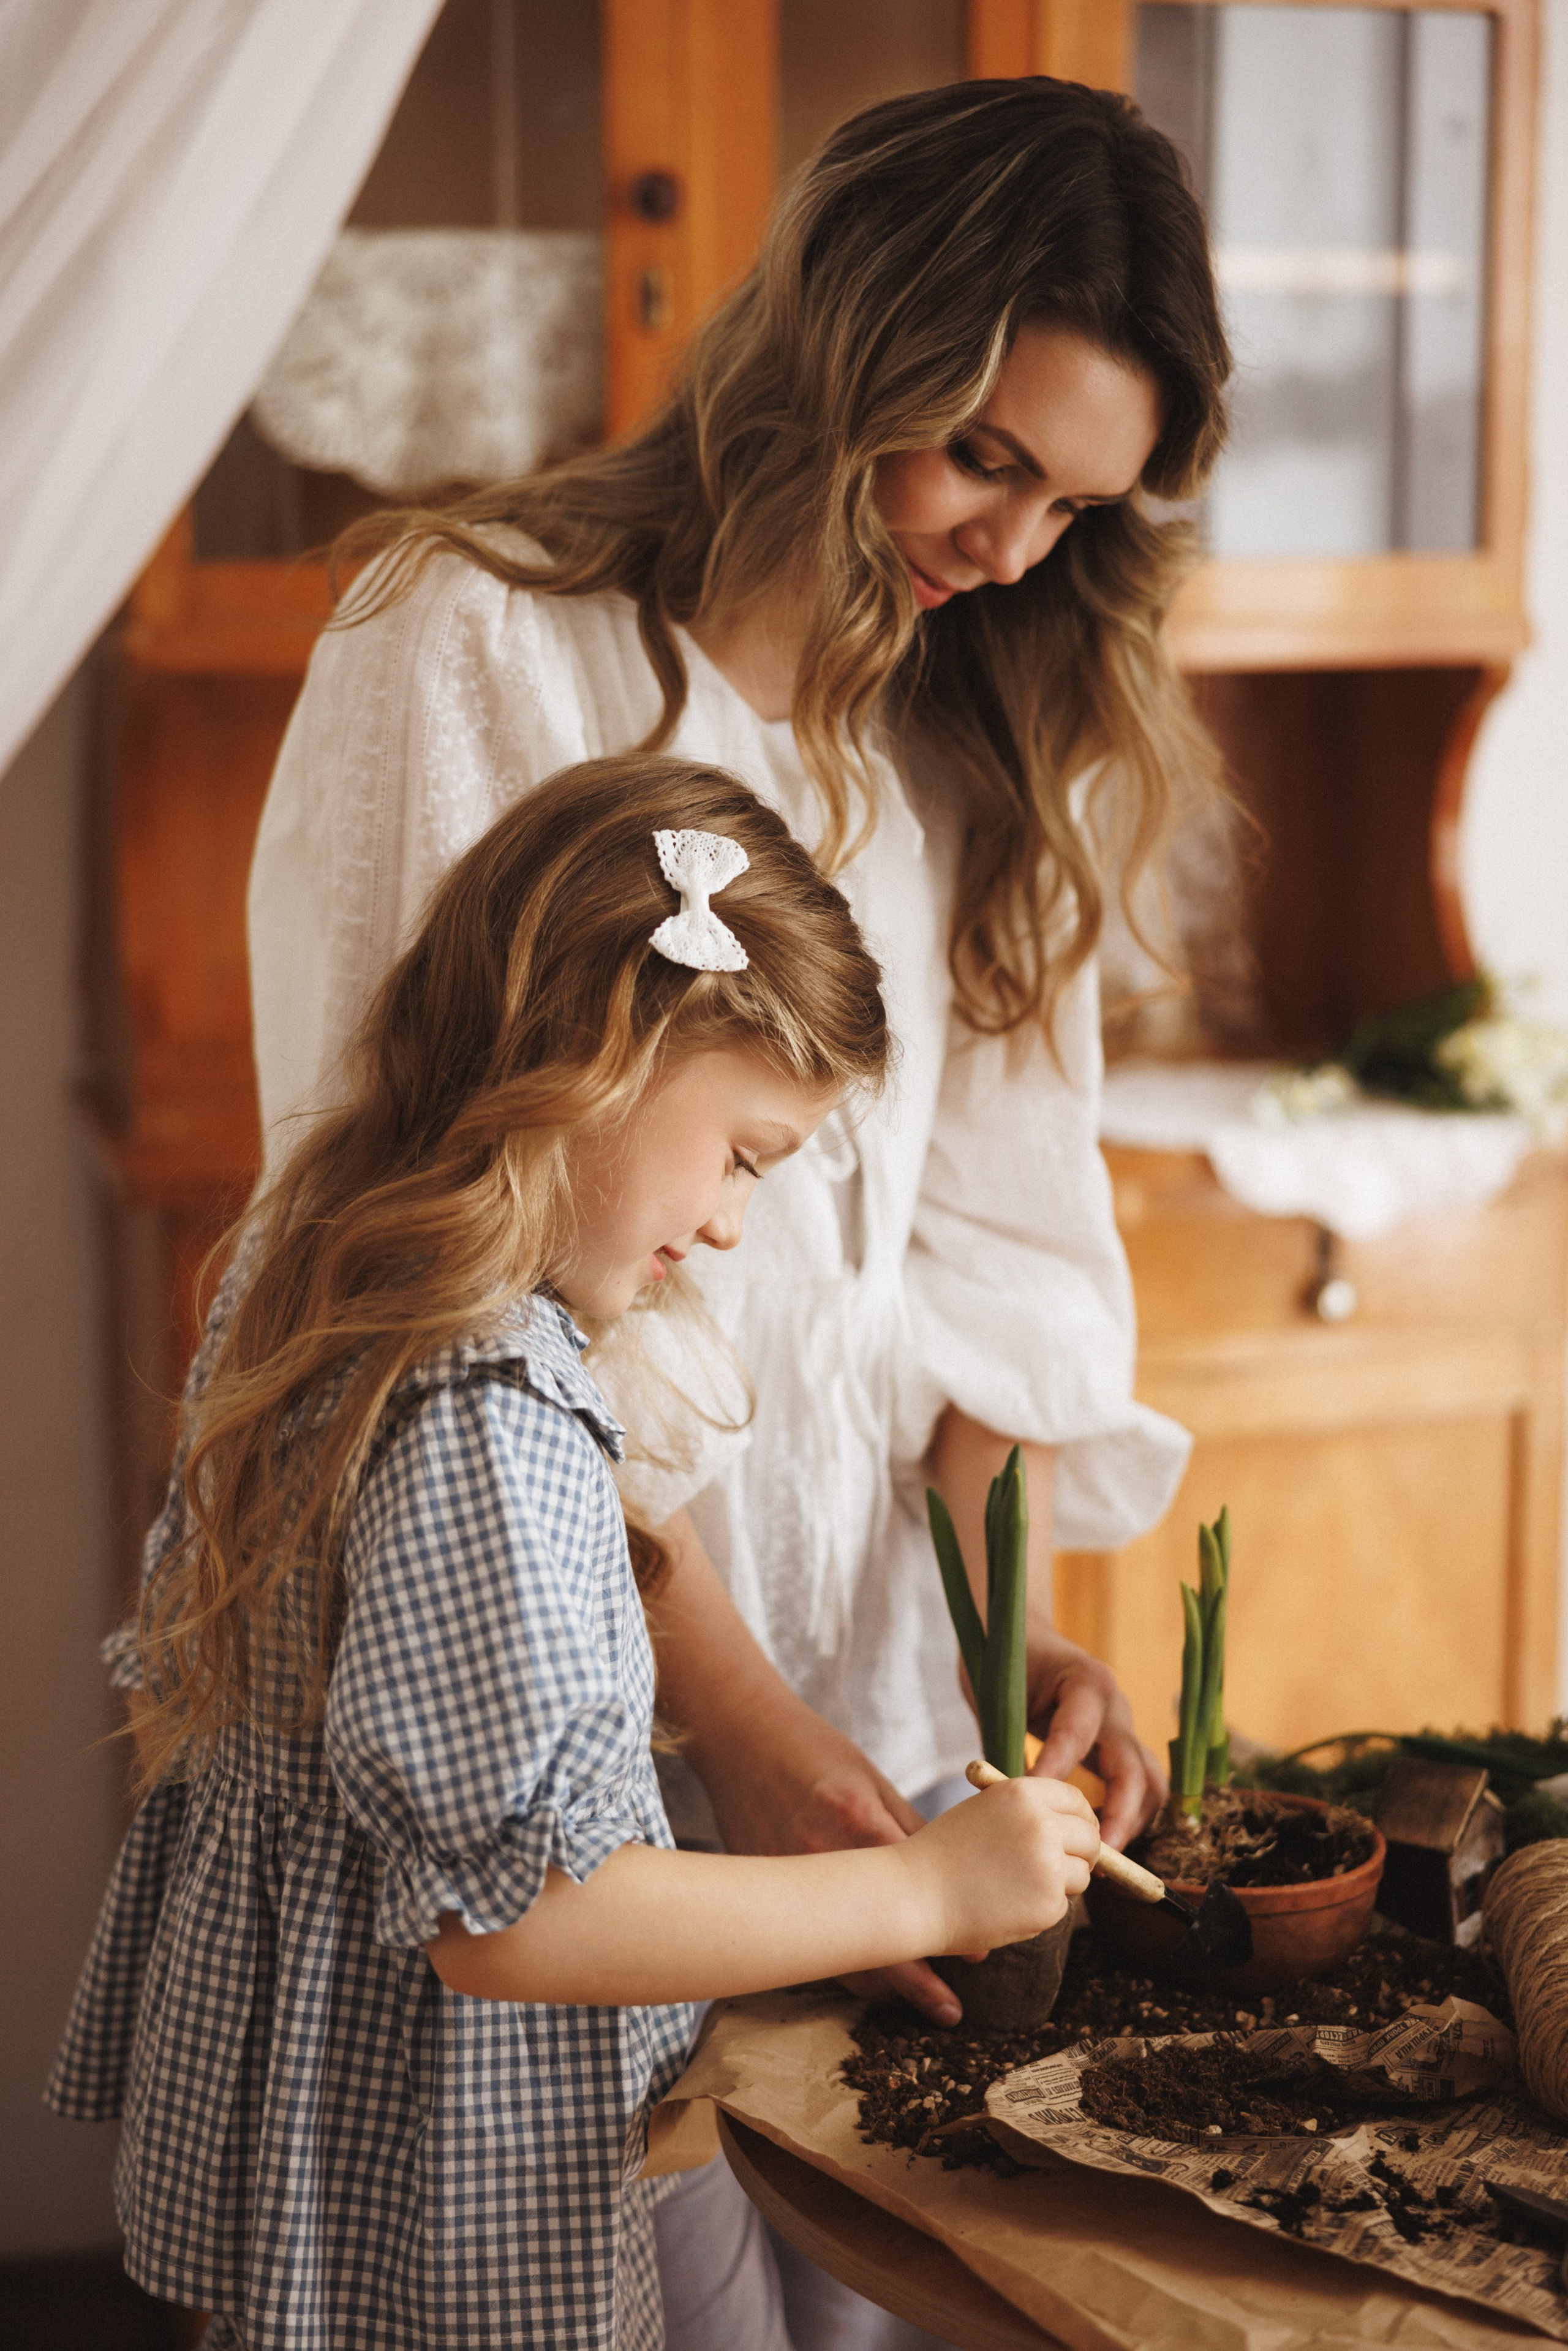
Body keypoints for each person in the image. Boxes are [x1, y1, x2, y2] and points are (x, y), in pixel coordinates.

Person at [243, 73, 1231, 2349]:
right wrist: (766, 1753)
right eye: (983, 454)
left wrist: (1006, 1654)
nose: (1006, 547)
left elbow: (989, 1265)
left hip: (868, 1709)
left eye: (1072, 504)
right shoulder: (473, 646)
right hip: (585, 1702)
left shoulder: (977, 732)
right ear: (835, 343)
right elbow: (438, 1287)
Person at [48, 757, 1103, 2351]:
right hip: (472, 2144)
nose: (737, 1225)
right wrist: (927, 1890)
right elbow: (520, 1921)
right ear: (599, 1053)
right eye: (742, 1155)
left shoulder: (321, 1243)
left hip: (338, 2105)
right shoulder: (491, 1409)